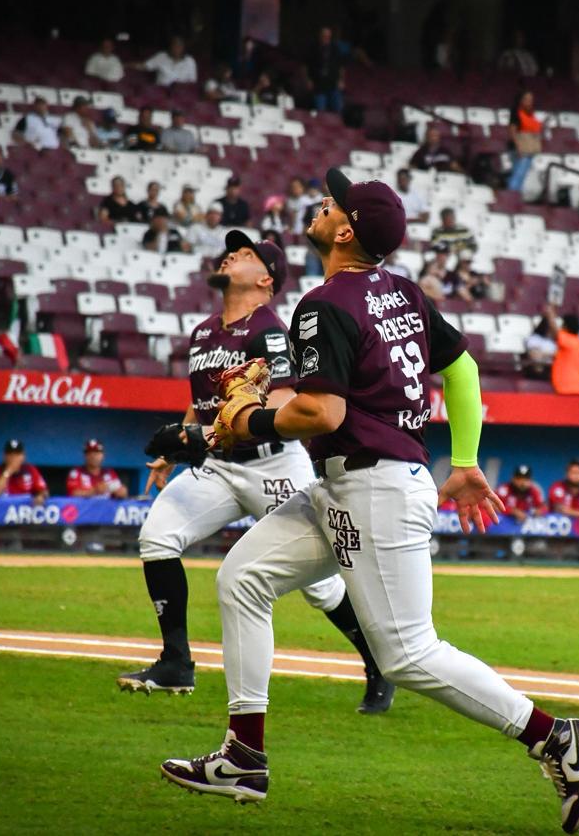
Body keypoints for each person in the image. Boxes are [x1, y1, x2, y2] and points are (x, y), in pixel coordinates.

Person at [158, 169, 579, 832]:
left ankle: (554, 736)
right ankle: (244, 755)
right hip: (356, 481)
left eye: (333, 202)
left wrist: (246, 420)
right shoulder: (403, 291)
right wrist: (466, 458)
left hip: (373, 485)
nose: (322, 203)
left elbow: (321, 411)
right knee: (242, 578)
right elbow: (464, 368)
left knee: (408, 654)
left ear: (344, 230)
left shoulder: (324, 302)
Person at [128, 230, 390, 712]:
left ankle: (377, 663)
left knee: (321, 587)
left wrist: (200, 437)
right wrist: (179, 445)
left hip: (272, 463)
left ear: (266, 279)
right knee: (157, 536)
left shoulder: (268, 328)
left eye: (246, 254)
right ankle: (175, 663)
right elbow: (202, 401)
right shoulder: (204, 331)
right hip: (219, 465)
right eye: (233, 250)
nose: (232, 255)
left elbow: (279, 401)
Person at [0, 439, 48, 505]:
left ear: (23, 456)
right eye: (10, 454)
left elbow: (44, 491)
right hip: (3, 513)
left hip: (24, 513)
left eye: (17, 454)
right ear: (4, 456)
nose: (14, 457)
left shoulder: (30, 470)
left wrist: (41, 496)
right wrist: (8, 471)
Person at [507, 90, 542, 192]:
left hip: (529, 148)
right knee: (518, 175)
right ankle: (511, 196)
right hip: (520, 148)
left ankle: (516, 196)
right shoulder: (516, 112)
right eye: (526, 99)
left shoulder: (530, 114)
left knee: (521, 175)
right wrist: (518, 147)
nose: (529, 101)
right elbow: (512, 131)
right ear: (521, 100)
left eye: (531, 99)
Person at [308, 26, 346, 112]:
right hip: (318, 84)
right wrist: (308, 80)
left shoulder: (335, 49)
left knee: (338, 110)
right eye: (324, 36)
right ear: (320, 36)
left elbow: (341, 67)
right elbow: (305, 66)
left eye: (328, 36)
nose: (326, 38)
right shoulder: (313, 48)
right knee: (320, 110)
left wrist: (341, 80)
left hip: (333, 83)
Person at [551, 311, 579, 396]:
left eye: (562, 325)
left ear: (566, 327)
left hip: (567, 389)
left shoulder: (569, 340)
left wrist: (550, 315)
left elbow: (556, 333)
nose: (560, 327)